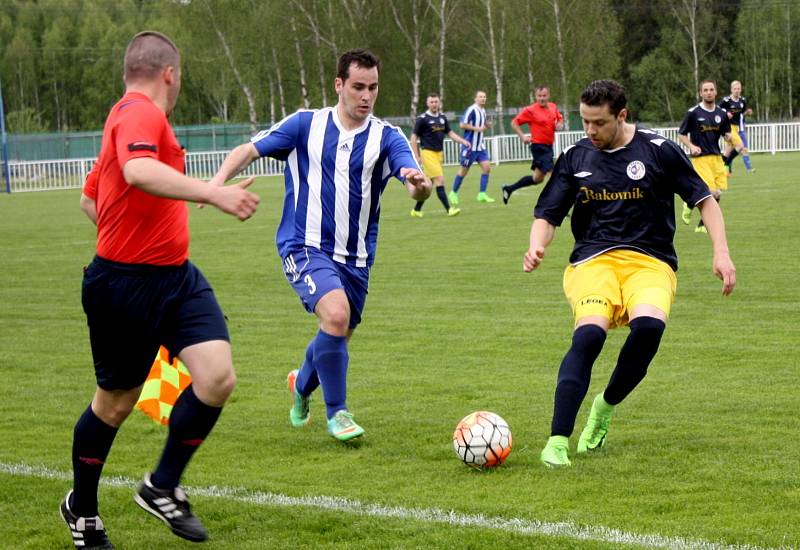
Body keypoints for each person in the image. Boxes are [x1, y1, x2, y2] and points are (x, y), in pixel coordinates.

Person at [61, 31, 260, 549]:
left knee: (216, 377)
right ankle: (81, 509)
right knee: (115, 404)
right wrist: (212, 194)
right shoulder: (139, 113)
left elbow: (93, 198)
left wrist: (148, 226)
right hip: (124, 288)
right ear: (170, 73)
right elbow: (137, 169)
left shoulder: (127, 119)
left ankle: (162, 485)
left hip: (175, 278)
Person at [209, 49, 431, 442]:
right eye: (358, 87)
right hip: (304, 245)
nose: (366, 96)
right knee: (335, 315)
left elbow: (413, 184)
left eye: (373, 88)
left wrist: (419, 187)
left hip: (357, 258)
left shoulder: (386, 137)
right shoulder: (305, 125)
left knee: (336, 331)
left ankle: (300, 385)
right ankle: (338, 413)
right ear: (339, 85)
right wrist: (214, 185)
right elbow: (249, 150)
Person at [524, 79, 736, 468]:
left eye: (599, 123)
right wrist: (538, 244)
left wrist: (721, 254)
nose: (590, 131)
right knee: (589, 334)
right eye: (585, 122)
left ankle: (604, 408)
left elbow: (706, 200)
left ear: (621, 115)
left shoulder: (658, 151)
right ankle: (557, 440)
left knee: (650, 329)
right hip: (593, 261)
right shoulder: (575, 156)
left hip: (650, 261)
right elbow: (548, 213)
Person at [678, 79, 733, 233]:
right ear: (700, 93)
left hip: (716, 158)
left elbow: (726, 134)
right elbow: (681, 134)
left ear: (716, 92)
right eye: (705, 90)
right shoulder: (693, 113)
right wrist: (691, 146)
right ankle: (701, 218)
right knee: (711, 192)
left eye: (711, 89)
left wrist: (728, 139)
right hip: (700, 158)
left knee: (718, 193)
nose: (708, 92)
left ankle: (699, 219)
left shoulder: (721, 114)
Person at [409, 92, 470, 217]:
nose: (434, 104)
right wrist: (416, 156)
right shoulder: (422, 119)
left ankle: (416, 210)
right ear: (427, 103)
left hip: (438, 154)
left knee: (428, 184)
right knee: (440, 180)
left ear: (439, 103)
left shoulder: (442, 118)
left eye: (436, 101)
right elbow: (413, 138)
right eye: (431, 102)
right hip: (427, 153)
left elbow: (450, 133)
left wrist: (463, 141)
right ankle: (449, 209)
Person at [502, 86, 564, 204]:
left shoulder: (553, 107)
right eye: (539, 96)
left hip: (548, 146)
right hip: (539, 147)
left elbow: (560, 118)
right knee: (553, 174)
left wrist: (560, 124)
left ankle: (509, 189)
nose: (542, 98)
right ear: (536, 97)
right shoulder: (530, 110)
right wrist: (522, 136)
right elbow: (514, 123)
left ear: (548, 96)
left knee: (537, 179)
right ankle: (557, 205)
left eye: (544, 96)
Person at [448, 90, 494, 205]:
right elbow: (462, 124)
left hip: (479, 146)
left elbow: (481, 126)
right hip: (469, 146)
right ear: (475, 99)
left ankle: (482, 194)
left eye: (484, 97)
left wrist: (486, 126)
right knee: (464, 171)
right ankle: (453, 192)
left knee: (487, 168)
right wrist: (478, 128)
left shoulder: (483, 111)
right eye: (480, 97)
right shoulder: (472, 109)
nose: (483, 99)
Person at [719, 80, 755, 174]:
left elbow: (741, 113)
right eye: (735, 89)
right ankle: (726, 164)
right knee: (740, 146)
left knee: (728, 150)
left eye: (738, 88)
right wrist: (726, 113)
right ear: (731, 89)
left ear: (741, 89)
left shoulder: (742, 100)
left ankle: (720, 167)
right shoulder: (726, 101)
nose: (737, 90)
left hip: (736, 127)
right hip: (728, 127)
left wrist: (747, 113)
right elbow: (717, 110)